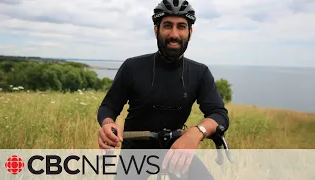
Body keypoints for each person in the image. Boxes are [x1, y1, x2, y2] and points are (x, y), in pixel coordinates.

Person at [97, 0, 230, 179]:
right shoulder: (132, 67)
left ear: (190, 32)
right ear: (156, 30)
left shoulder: (200, 72)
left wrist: (197, 132)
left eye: (181, 26)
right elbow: (109, 107)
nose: (174, 34)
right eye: (167, 26)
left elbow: (218, 113)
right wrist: (108, 124)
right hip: (135, 154)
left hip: (176, 151)